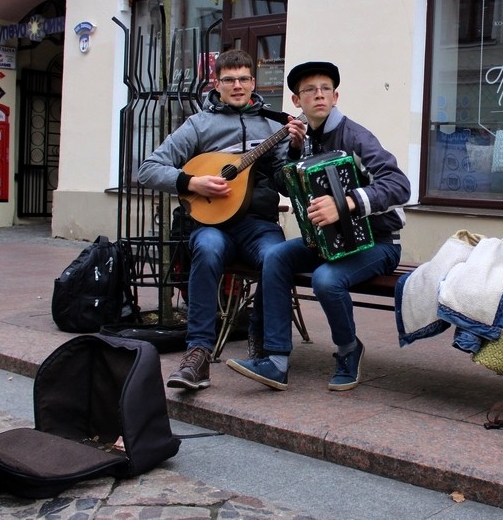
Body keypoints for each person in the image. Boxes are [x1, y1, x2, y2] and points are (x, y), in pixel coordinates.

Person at [226, 61, 410, 391]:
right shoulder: (305, 138)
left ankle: (349, 349)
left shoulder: (356, 137)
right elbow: (290, 186)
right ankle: (276, 360)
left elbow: (399, 185)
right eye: (310, 90)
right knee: (277, 257)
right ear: (297, 101)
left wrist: (347, 203)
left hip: (378, 242)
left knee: (326, 279)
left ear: (336, 96)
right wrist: (294, 151)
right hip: (329, 242)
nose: (319, 95)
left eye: (326, 89)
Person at [138, 49, 292, 391]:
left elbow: (285, 184)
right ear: (216, 83)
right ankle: (198, 355)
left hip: (258, 224)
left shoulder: (273, 125)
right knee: (206, 249)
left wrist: (293, 151)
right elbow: (147, 170)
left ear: (254, 83)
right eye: (229, 80)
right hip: (211, 224)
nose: (237, 86)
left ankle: (265, 346)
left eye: (243, 79)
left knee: (277, 256)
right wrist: (191, 182)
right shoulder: (199, 124)